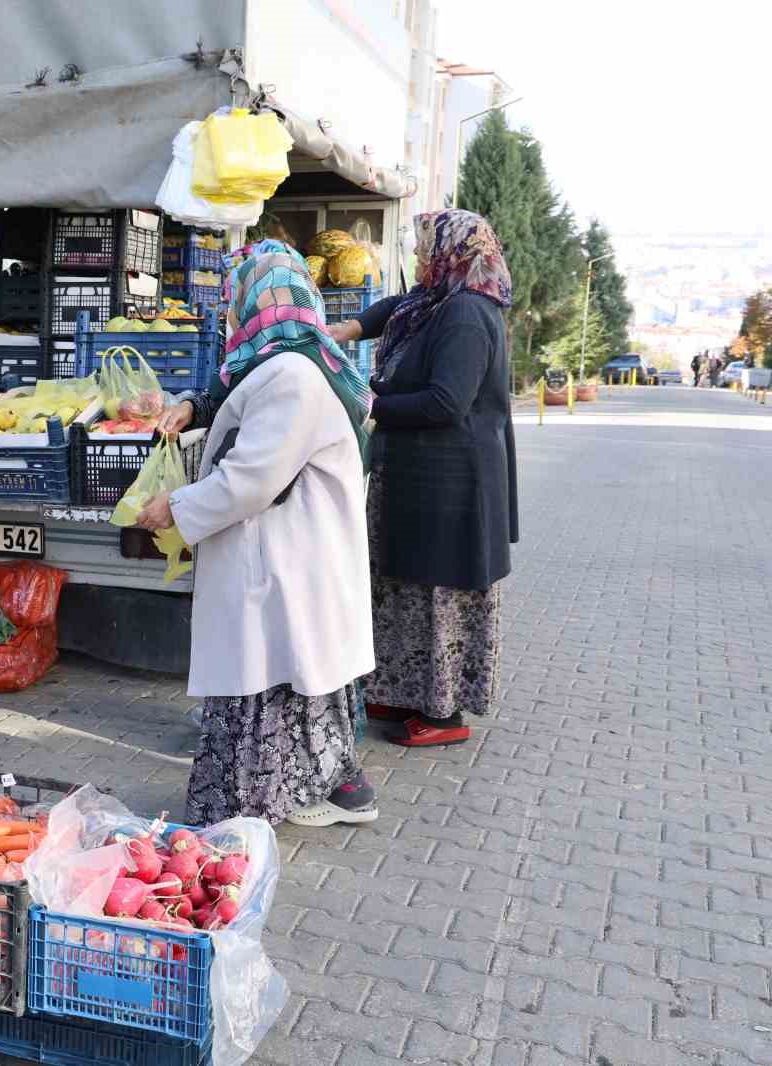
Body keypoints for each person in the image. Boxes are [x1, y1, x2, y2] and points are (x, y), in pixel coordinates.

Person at [147, 240, 378, 828]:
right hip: (292, 559)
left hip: (285, 563)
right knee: (295, 678)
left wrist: (173, 506)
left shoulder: (290, 376)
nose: (228, 315)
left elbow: (253, 480)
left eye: (233, 302)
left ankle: (263, 805)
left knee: (275, 674)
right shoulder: (291, 362)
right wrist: (194, 407)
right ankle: (312, 789)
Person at [327, 208, 517, 747]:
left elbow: (446, 402)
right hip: (418, 480)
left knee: (437, 597)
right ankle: (399, 690)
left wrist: (370, 404)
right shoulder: (437, 300)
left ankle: (442, 713)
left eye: (422, 248)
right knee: (401, 588)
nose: (415, 257)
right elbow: (397, 307)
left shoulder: (467, 315)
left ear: (450, 253)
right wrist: (351, 327)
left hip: (452, 488)